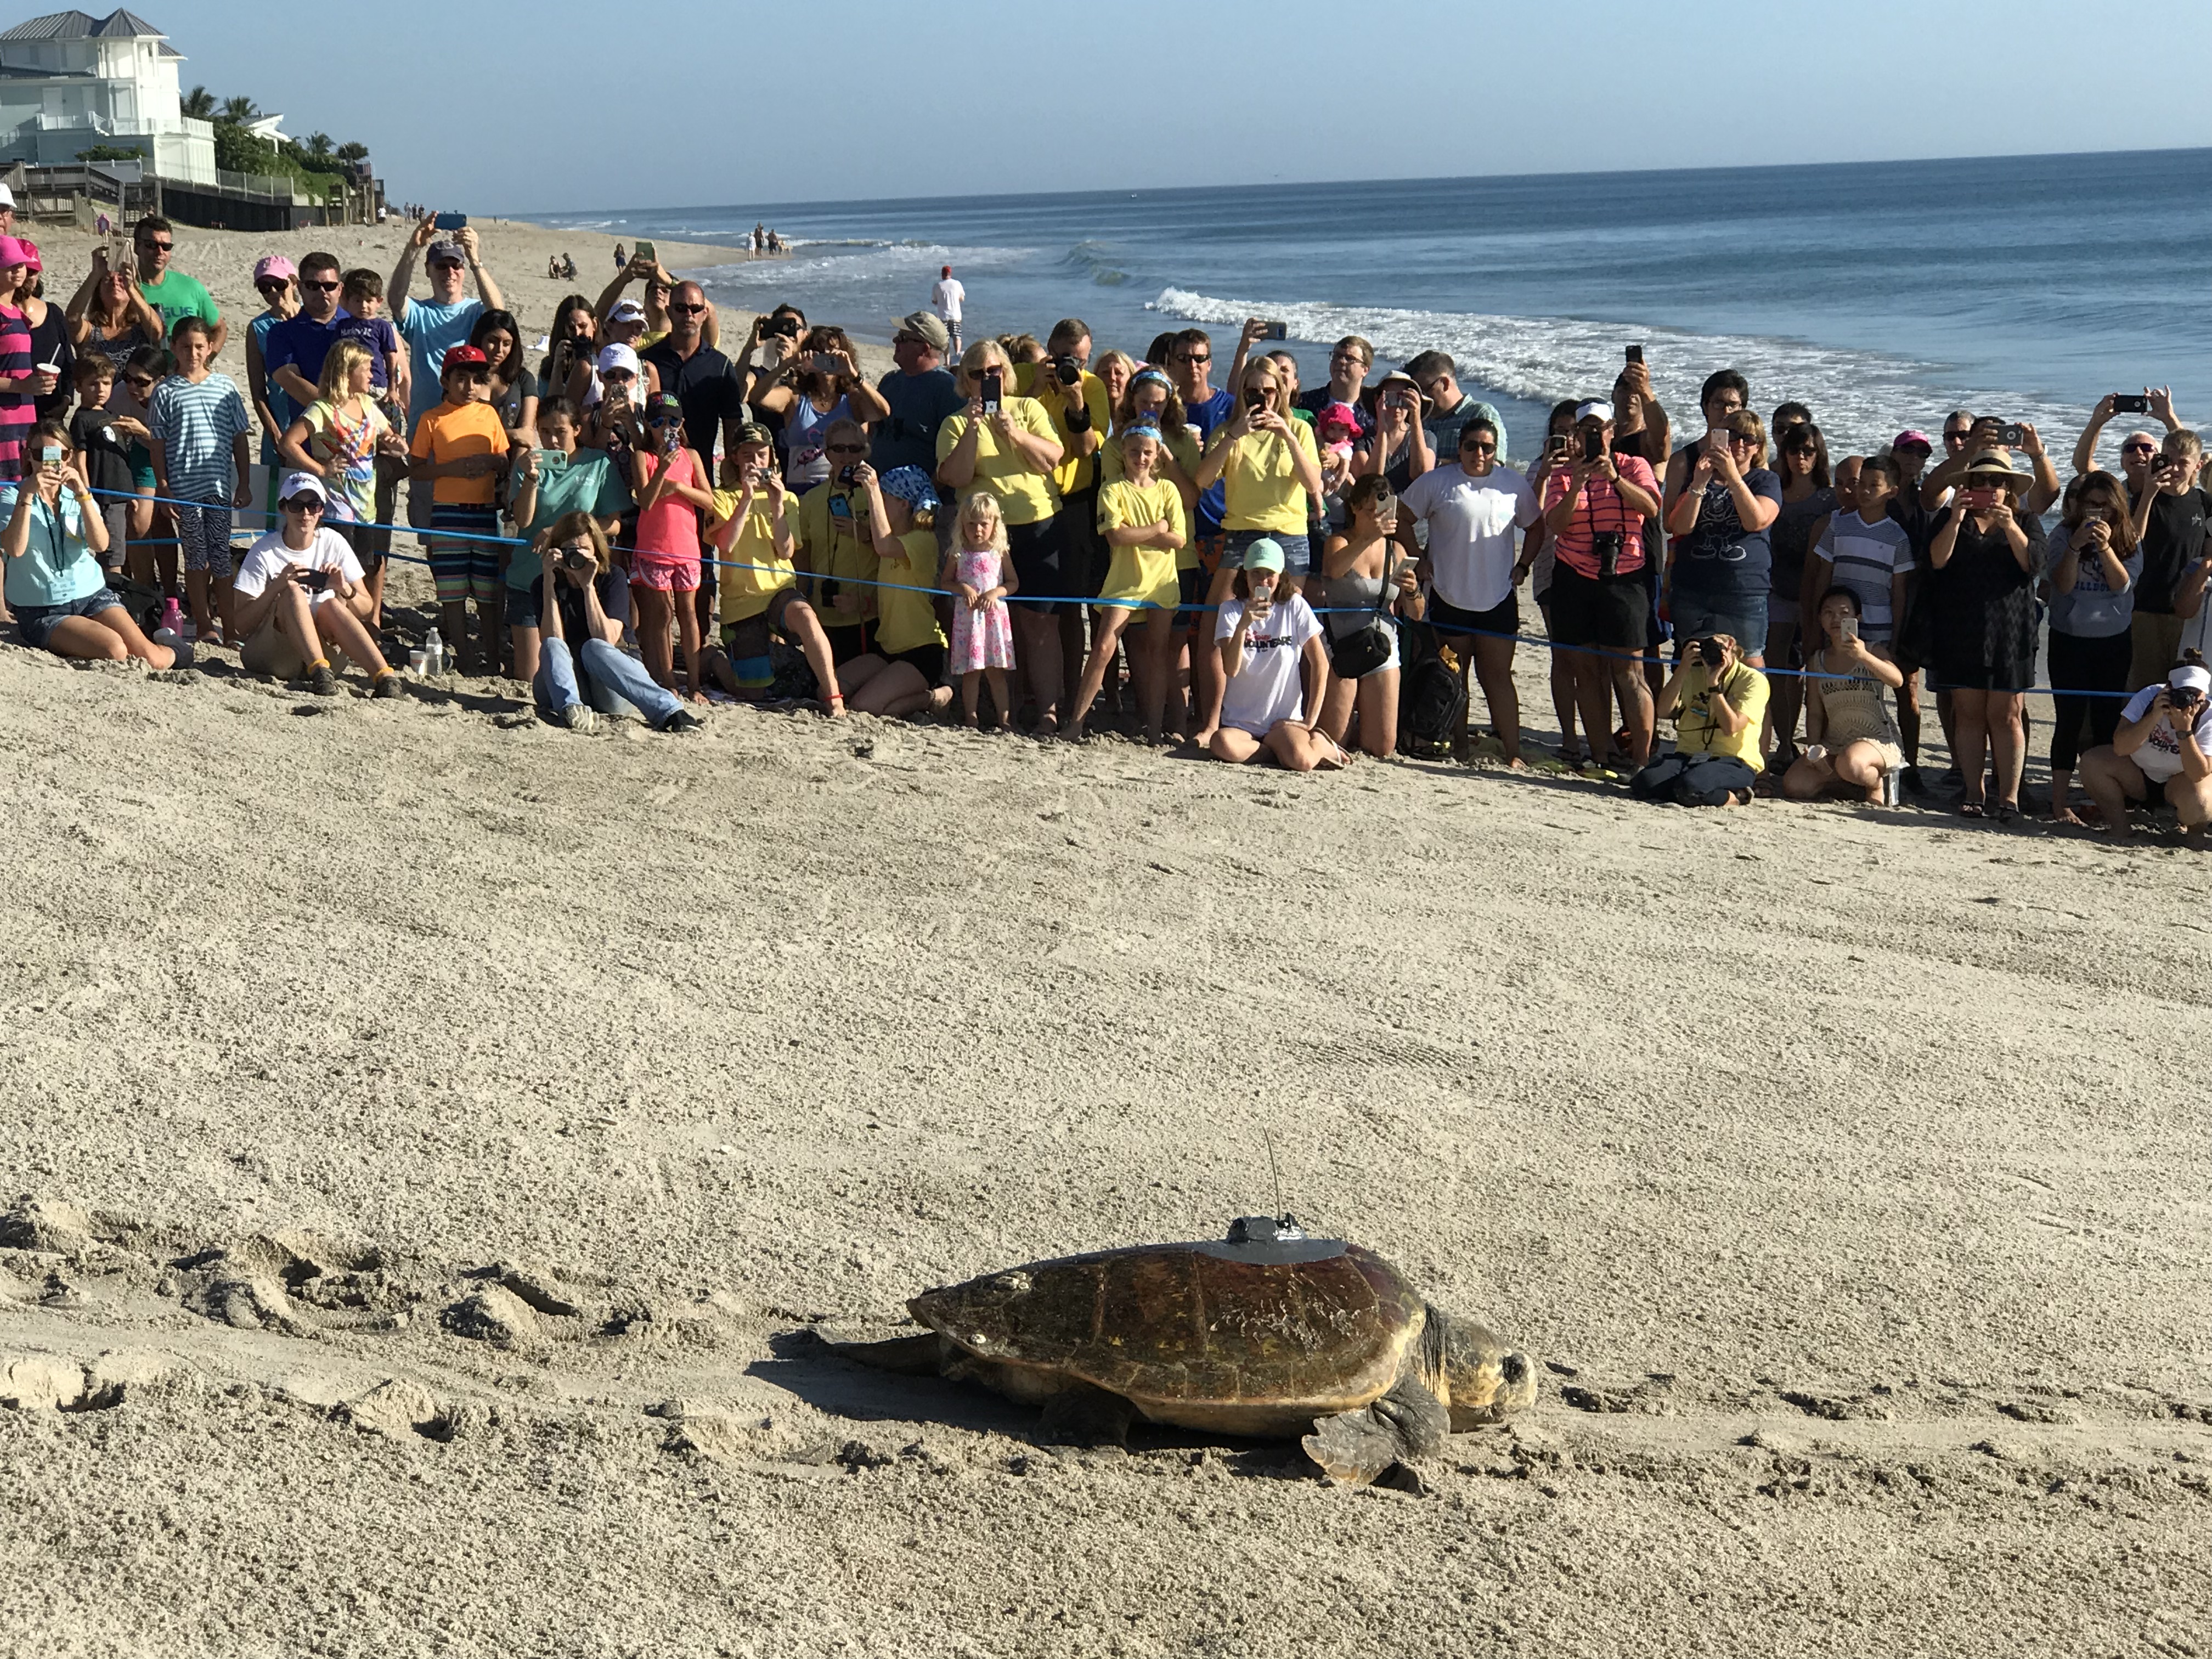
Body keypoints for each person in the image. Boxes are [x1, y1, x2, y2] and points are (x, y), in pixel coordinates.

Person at [1190, 358, 1324, 743]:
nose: (1262, 398)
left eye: (1269, 391)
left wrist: (1288, 436)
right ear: (1243, 394)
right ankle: (1212, 721)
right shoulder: (1230, 430)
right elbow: (1202, 480)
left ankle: (1287, 719)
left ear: (1281, 393)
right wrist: (1234, 436)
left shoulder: (1298, 427)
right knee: (1220, 623)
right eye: (1254, 392)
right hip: (1242, 532)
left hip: (1288, 534)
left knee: (1286, 627)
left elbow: (1313, 483)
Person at [935, 340, 1066, 730]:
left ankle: (1047, 710)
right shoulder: (956, 423)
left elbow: (1053, 458)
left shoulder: (1028, 408)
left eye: (994, 371)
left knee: (1040, 621)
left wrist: (1015, 434)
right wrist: (975, 429)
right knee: (985, 621)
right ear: (965, 380)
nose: (987, 379)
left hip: (1036, 522)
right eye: (977, 373)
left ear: (1005, 373)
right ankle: (995, 710)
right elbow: (955, 477)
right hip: (983, 537)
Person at [1396, 416, 1538, 764]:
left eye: (1487, 447)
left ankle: (1513, 752)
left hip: (1498, 597)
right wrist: (1417, 562)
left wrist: (1523, 567)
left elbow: (1537, 528)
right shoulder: (1437, 482)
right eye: (1471, 446)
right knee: (1454, 678)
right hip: (1448, 595)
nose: (1479, 453)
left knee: (1498, 679)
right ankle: (1460, 746)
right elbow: (1400, 517)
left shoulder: (1513, 485)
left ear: (1496, 452)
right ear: (1460, 448)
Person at [1541, 399, 1664, 772]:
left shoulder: (1633, 465)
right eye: (1587, 431)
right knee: (1586, 670)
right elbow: (1557, 525)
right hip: (1575, 575)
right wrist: (1578, 482)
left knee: (1630, 672)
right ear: (1577, 434)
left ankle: (1642, 758)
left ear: (1613, 432)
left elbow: (1652, 508)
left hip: (1625, 577)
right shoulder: (1564, 473)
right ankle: (1599, 753)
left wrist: (1613, 478)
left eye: (1601, 430)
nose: (1595, 437)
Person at [3, 420, 174, 667]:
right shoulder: (12, 497)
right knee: (114, 648)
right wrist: (27, 495)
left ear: (69, 456)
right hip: (43, 609)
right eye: (41, 455)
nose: (50, 463)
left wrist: (83, 494)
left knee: (152, 657)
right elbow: (14, 549)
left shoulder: (76, 495)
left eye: (60, 455)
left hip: (91, 593)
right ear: (29, 456)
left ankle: (174, 651)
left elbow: (101, 544)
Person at [1926, 453, 2039, 821]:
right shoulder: (1951, 517)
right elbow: (1936, 561)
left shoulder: (2026, 520)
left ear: (2009, 489)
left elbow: (2034, 565)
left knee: (2007, 716)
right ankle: (1974, 790)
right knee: (1969, 715)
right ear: (1968, 487)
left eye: (1997, 482)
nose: (1989, 489)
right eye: (1981, 482)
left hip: (2010, 632)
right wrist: (1957, 518)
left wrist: (2010, 528)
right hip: (1963, 630)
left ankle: (2009, 797)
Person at [703, 422, 843, 711]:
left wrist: (778, 506)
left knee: (806, 616)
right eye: (747, 455)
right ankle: (717, 659)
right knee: (752, 693)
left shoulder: (788, 498)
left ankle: (833, 698)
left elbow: (786, 551)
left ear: (772, 458)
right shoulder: (722, 498)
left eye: (762, 455)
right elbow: (725, 545)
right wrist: (746, 498)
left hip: (779, 589)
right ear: (735, 459)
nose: (755, 462)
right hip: (741, 601)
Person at [229, 472, 401, 696]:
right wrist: (276, 587)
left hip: (328, 655)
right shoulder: (264, 550)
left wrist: (344, 589)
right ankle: (319, 670)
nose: (306, 513)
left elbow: (367, 610)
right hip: (275, 655)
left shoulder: (333, 542)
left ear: (321, 510)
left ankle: (385, 677)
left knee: (331, 606)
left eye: (313, 505)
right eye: (297, 506)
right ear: (283, 508)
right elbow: (239, 626)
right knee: (293, 593)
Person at [1067, 422, 1186, 744]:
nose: (1141, 458)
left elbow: (1179, 539)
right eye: (1135, 451)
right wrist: (1157, 528)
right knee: (1104, 648)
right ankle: (1076, 723)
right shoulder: (1113, 489)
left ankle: (1156, 729)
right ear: (1124, 452)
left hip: (1161, 582)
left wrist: (1147, 531)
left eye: (1148, 452)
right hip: (1125, 582)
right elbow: (1116, 536)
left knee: (1158, 654)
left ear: (1157, 454)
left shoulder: (1167, 489)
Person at [528, 510, 698, 733]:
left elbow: (607, 639)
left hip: (612, 683)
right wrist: (549, 582)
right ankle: (571, 711)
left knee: (593, 648)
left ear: (596, 551)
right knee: (551, 645)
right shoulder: (543, 584)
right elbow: (553, 641)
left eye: (584, 550)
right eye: (570, 550)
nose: (576, 557)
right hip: (565, 683)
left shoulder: (612, 578)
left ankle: (669, 710)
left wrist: (588, 586)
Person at [503, 395, 630, 682]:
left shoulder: (598, 464)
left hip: (578, 580)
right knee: (531, 677)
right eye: (545, 432)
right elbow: (522, 520)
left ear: (577, 430)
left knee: (580, 668)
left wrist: (561, 531)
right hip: (530, 576)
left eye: (560, 431)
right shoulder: (528, 464)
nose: (553, 440)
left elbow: (613, 524)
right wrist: (532, 479)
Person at [147, 317, 252, 645]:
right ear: (174, 349)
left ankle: (231, 627)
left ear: (209, 349)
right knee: (195, 556)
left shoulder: (225, 387)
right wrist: (163, 486)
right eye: (186, 347)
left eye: (199, 346)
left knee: (221, 557)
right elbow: (158, 443)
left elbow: (239, 437)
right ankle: (204, 621)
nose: (193, 353)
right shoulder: (166, 390)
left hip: (219, 487)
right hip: (184, 490)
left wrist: (244, 481)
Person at [2045, 470, 2142, 824]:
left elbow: (2121, 586)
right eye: (2090, 505)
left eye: (2104, 506)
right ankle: (2058, 803)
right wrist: (2076, 546)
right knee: (2068, 720)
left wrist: (2103, 547)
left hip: (2112, 640)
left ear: (2117, 508)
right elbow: (2063, 585)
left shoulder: (2129, 540)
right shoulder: (2063, 535)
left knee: (2106, 722)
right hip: (2069, 639)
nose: (2097, 513)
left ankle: (2103, 797)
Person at [407, 342, 510, 674]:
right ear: (445, 381)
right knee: (452, 591)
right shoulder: (431, 419)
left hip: (484, 510)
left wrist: (490, 461)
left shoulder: (489, 413)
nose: (469, 387)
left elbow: (505, 460)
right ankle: (465, 657)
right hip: (447, 510)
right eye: (461, 379)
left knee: (487, 590)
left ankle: (493, 657)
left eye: (476, 379)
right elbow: (417, 467)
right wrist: (451, 469)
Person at [1209, 538, 1349, 770]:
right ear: (1246, 575)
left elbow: (1320, 663)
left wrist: (1310, 720)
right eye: (1256, 573)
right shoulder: (1231, 610)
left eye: (1269, 574)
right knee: (1222, 743)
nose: (1263, 581)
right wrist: (1243, 626)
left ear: (1281, 575)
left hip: (1282, 723)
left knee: (1302, 762)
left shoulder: (1294, 605)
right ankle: (1275, 753)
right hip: (1241, 725)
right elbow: (1230, 669)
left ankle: (1319, 743)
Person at [276, 341, 404, 578]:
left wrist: (398, 444)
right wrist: (321, 470)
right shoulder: (323, 409)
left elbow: (389, 437)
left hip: (367, 508)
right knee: (335, 574)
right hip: (337, 507)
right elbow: (288, 443)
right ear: (347, 372)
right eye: (366, 368)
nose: (371, 374)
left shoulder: (368, 404)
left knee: (361, 572)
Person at [1662, 408, 1781, 664]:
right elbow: (1679, 526)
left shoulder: (1765, 480)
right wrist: (1699, 484)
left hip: (1742, 591)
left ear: (1758, 447)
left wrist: (1733, 477)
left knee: (1749, 665)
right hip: (1694, 588)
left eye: (1748, 439)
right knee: (1693, 663)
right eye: (1733, 437)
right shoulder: (1700, 476)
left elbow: (1756, 520)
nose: (1739, 444)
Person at [1315, 476, 1420, 759]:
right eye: (1368, 511)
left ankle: (1367, 718)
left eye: (1381, 512)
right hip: (1343, 646)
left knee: (1382, 747)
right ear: (1354, 509)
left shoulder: (1396, 551)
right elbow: (1335, 569)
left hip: (1383, 645)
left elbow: (1416, 613)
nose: (1376, 518)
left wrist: (1412, 592)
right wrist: (1368, 537)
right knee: (1333, 740)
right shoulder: (1339, 542)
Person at [834, 464, 947, 719]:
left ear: (904, 504)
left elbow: (884, 545)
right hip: (887, 648)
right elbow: (896, 599)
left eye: (886, 498)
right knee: (829, 692)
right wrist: (861, 606)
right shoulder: (892, 540)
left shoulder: (922, 540)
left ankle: (936, 697)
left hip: (921, 650)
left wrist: (873, 489)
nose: (879, 503)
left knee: (866, 707)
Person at [1782, 588, 1905, 802]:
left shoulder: (1873, 650)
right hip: (1836, 741)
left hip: (1875, 738)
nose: (1836, 619)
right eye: (1829, 613)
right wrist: (1813, 748)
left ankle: (1875, 783)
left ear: (1857, 618)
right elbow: (1815, 712)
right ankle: (1851, 784)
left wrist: (1864, 656)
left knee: (1851, 764)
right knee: (1795, 784)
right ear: (1820, 619)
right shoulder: (1817, 661)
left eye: (1844, 613)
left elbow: (1897, 680)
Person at [628, 392, 713, 702]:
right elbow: (646, 501)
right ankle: (668, 680)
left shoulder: (691, 456)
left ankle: (694, 684)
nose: (666, 426)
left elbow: (709, 500)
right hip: (654, 547)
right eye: (658, 421)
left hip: (687, 548)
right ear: (648, 425)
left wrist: (678, 487)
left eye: (673, 420)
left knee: (688, 614)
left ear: (682, 423)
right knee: (661, 616)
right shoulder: (643, 457)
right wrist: (662, 469)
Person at [388, 216, 503, 439]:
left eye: (455, 265)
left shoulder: (474, 311)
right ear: (429, 270)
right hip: (426, 422)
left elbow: (498, 314)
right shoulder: (419, 312)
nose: (449, 272)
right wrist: (414, 247)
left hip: (467, 421)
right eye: (441, 266)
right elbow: (395, 299)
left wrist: (474, 259)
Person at [2079, 656, 2212, 844]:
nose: (2187, 701)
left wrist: (2184, 730)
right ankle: (2120, 827)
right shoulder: (2150, 696)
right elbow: (2121, 748)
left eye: (2195, 694)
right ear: (2169, 688)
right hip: (2138, 773)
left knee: (2201, 801)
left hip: (2180, 781)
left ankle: (2194, 833)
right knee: (2092, 762)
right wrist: (2155, 715)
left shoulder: (2209, 716)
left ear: (2204, 695)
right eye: (2182, 692)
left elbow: (2199, 773)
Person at [1764, 421, 1834, 763]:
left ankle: (1818, 744)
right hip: (1776, 589)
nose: (1801, 458)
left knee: (1813, 670)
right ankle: (1784, 742)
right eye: (1794, 450)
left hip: (1819, 594)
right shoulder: (1772, 488)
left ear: (1818, 454)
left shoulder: (1829, 498)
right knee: (1778, 670)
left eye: (1808, 451)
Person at [1633, 631, 1767, 807]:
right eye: (1701, 647)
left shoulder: (1752, 679)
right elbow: (1664, 711)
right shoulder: (1693, 672)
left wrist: (1714, 685)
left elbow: (1731, 727)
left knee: (1691, 789)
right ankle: (1689, 789)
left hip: (1733, 760)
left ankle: (1737, 796)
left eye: (1713, 645)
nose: (1707, 652)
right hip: (1689, 756)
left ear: (1730, 644)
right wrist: (1683, 668)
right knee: (1643, 784)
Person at [2124, 430, 2207, 690]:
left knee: (2187, 690)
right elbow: (2132, 543)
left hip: (2191, 613)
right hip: (2145, 609)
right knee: (2146, 691)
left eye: (2184, 462)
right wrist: (2149, 492)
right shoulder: (2142, 499)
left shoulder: (2205, 503)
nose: (2176, 468)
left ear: (2198, 465)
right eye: (2170, 460)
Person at [755, 326, 885, 488]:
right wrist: (788, 364)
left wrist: (853, 375)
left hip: (843, 488)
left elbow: (883, 412)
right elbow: (757, 397)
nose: (826, 358)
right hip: (801, 492)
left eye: (832, 352)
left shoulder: (852, 400)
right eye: (819, 352)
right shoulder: (794, 397)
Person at [947, 489, 1019, 729]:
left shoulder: (999, 552)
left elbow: (1013, 583)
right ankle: (971, 717)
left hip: (993, 619)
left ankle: (1005, 720)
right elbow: (944, 582)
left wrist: (995, 592)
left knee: (996, 672)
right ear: (962, 525)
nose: (977, 530)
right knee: (971, 672)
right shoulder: (958, 553)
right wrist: (963, 588)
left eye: (983, 524)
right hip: (969, 620)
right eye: (971, 524)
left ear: (994, 525)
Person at [872, 311, 964, 481]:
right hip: (879, 491)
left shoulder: (947, 389)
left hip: (921, 498)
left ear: (924, 348)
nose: (895, 341)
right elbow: (871, 431)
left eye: (903, 338)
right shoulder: (890, 381)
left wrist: (927, 493)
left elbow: (958, 453)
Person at [239, 255, 298, 506]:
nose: (273, 291)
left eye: (278, 283)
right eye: (265, 287)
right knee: (280, 507)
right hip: (280, 422)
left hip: (316, 423)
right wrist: (275, 435)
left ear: (293, 281)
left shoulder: (313, 318)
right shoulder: (258, 328)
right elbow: (257, 391)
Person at [66, 357, 133, 572]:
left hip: (120, 494)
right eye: (93, 384)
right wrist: (87, 492)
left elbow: (120, 458)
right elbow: (79, 456)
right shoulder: (82, 418)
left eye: (106, 383)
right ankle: (113, 597)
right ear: (79, 386)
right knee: (112, 555)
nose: (101, 389)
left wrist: (130, 494)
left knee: (119, 549)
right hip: (102, 495)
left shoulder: (112, 415)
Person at [64, 247, 164, 377]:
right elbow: (72, 319)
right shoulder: (90, 331)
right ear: (98, 291)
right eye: (108, 280)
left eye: (121, 280)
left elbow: (157, 332)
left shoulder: (141, 329)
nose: (115, 283)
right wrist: (96, 273)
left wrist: (132, 288)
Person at [131, 216, 223, 357]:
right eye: (151, 245)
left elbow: (219, 328)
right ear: (137, 247)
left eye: (166, 247)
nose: (160, 252)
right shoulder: (124, 290)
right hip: (142, 376)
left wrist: (206, 361)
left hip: (185, 375)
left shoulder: (191, 287)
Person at [1404, 350, 1507, 469]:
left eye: (1423, 391)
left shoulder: (1480, 413)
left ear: (1445, 383)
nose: (1420, 398)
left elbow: (1493, 466)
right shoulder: (1422, 419)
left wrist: (1433, 464)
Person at [9, 241, 72, 427]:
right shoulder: (5, 316)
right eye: (24, 270)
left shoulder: (54, 313)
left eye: (33, 272)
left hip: (50, 418)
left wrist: (67, 401)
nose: (27, 277)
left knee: (49, 456)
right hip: (10, 416)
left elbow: (69, 363)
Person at [2070, 387, 2181, 479]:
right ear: (2122, 462)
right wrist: (2095, 423)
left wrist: (2169, 418)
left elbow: (2191, 457)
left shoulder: (2174, 487)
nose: (2138, 452)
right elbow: (2082, 465)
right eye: (2130, 449)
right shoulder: (2114, 493)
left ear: (2160, 457)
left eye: (2146, 448)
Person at [469, 308, 539, 449]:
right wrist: (511, 434)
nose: (499, 350)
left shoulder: (523, 379)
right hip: (469, 458)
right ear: (479, 339)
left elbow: (526, 436)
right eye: (492, 341)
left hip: (512, 460)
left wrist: (516, 470)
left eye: (506, 344)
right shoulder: (464, 376)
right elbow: (458, 429)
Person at [0, 238, 37, 485]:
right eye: (10, 265)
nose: (18, 269)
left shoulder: (15, 312)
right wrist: (21, 386)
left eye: (21, 264)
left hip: (24, 418)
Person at [931, 264, 965, 359]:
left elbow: (934, 301)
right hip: (956, 315)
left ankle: (947, 360)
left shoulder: (937, 286)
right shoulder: (957, 284)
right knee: (957, 336)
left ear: (942, 274)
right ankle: (957, 355)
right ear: (951, 274)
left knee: (945, 339)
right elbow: (962, 298)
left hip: (943, 315)